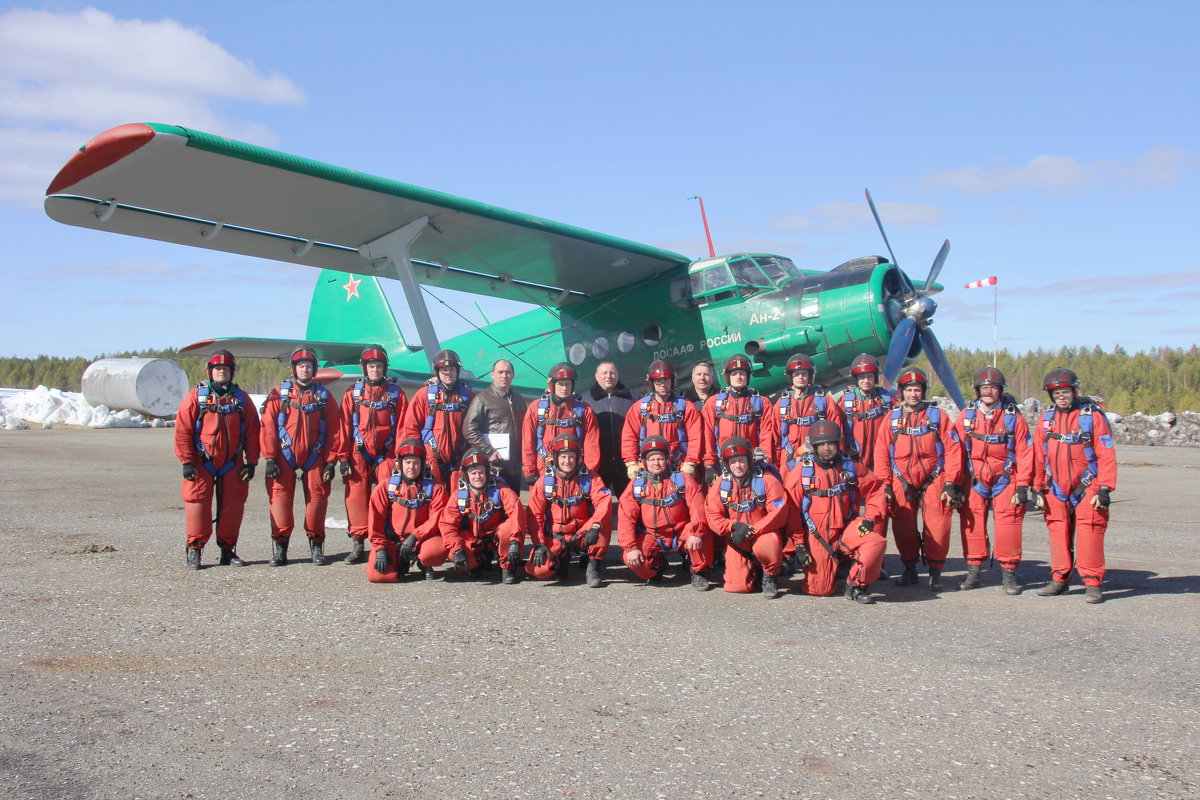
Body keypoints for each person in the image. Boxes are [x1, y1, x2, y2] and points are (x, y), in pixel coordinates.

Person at [872, 368, 963, 591]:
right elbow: (881, 452)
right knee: (903, 526)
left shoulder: (937, 416)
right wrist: (885, 482)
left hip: (934, 477)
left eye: (917, 389)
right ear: (902, 392)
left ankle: (935, 573)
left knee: (938, 524)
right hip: (900, 478)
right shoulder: (892, 419)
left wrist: (951, 482)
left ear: (923, 392)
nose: (913, 394)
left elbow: (953, 449)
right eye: (909, 390)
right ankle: (910, 569)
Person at [1032, 368, 1118, 604]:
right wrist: (1036, 486)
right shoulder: (1047, 420)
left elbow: (1106, 453)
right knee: (1058, 531)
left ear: (1074, 391)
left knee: (1091, 531)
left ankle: (1092, 583)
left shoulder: (1093, 418)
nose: (1061, 396)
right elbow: (1039, 455)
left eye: (1065, 391)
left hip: (1089, 484)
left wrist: (1105, 488)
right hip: (1056, 486)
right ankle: (1060, 578)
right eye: (1056, 392)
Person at [174, 350, 261, 569]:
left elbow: (252, 431)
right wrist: (186, 462)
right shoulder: (197, 396)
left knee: (232, 506)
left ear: (232, 372)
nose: (222, 372)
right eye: (218, 369)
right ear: (210, 372)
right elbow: (183, 429)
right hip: (202, 461)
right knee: (197, 505)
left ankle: (227, 551)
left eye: (226, 369)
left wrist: (251, 461)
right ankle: (195, 549)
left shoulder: (241, 399)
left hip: (232, 462)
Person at [784, 420, 888, 604]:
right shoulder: (803, 470)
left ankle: (855, 585)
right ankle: (829, 567)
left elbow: (876, 490)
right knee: (820, 590)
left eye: (830, 443)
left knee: (875, 542)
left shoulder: (850, 467)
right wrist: (798, 545)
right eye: (822, 444)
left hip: (845, 528)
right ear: (814, 447)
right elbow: (790, 509)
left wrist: (871, 518)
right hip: (817, 534)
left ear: (837, 444)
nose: (827, 448)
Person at [261, 347, 344, 567]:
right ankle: (280, 549)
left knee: (317, 500)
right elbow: (268, 426)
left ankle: (316, 547)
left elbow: (335, 429)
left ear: (314, 369)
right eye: (301, 366)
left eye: (308, 366)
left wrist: (330, 460)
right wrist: (269, 457)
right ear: (294, 369)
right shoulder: (279, 394)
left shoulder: (324, 396)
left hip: (314, 456)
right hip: (283, 455)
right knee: (280, 501)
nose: (305, 369)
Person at [954, 367, 1034, 595]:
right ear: (977, 391)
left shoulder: (1013, 418)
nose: (988, 392)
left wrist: (1022, 485)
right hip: (975, 478)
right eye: (984, 388)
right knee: (972, 524)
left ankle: (1009, 575)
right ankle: (974, 572)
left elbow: (1026, 452)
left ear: (1000, 391)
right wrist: (955, 482)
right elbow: (955, 450)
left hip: (1006, 477)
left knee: (1009, 525)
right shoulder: (967, 416)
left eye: (993, 388)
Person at [337, 345, 407, 565]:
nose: (375, 370)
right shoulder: (353, 393)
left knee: (390, 497)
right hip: (358, 452)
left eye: (378, 366)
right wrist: (342, 457)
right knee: (356, 498)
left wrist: (400, 457)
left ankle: (386, 541)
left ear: (384, 368)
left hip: (387, 454)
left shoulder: (396, 393)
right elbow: (344, 425)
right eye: (371, 366)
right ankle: (358, 544)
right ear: (364, 368)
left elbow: (405, 426)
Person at [617, 436, 712, 590]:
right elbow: (626, 517)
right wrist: (631, 547)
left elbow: (698, 507)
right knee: (630, 558)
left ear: (667, 459)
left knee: (703, 535)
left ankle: (699, 571)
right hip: (652, 535)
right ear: (645, 462)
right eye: (652, 459)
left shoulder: (682, 479)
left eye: (660, 458)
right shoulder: (636, 485)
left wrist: (697, 532)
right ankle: (655, 569)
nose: (656, 463)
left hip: (682, 532)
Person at [705, 436, 790, 598]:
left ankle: (770, 575)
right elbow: (712, 514)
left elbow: (779, 512)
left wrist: (753, 530)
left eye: (741, 461)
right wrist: (732, 526)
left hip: (763, 534)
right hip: (737, 537)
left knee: (769, 543)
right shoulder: (722, 484)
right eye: (733, 461)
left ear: (749, 460)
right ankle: (752, 570)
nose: (738, 466)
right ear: (727, 464)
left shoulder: (767, 481)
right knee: (736, 586)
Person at [525, 434, 613, 587]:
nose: (567, 461)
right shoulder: (544, 483)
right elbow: (535, 515)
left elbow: (604, 502)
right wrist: (539, 543)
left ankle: (593, 565)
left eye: (571, 457)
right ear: (556, 458)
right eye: (563, 457)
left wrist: (595, 526)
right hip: (556, 534)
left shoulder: (591, 479)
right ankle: (561, 559)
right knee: (539, 570)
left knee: (603, 525)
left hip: (583, 532)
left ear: (578, 458)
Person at [365, 438, 449, 582]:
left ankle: (424, 563)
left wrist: (415, 536)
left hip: (421, 540)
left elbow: (438, 517)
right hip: (393, 540)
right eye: (408, 462)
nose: (412, 467)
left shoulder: (435, 488)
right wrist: (380, 548)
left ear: (423, 464)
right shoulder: (387, 487)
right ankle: (400, 562)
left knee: (436, 551)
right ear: (400, 464)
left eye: (416, 463)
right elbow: (376, 519)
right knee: (377, 576)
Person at [439, 449, 526, 582]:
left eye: (481, 472)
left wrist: (515, 541)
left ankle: (507, 567)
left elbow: (517, 514)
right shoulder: (458, 496)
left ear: (487, 473)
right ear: (466, 476)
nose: (477, 476)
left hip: (495, 537)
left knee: (508, 528)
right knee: (452, 553)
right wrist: (457, 549)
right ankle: (476, 564)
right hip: (473, 539)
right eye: (473, 473)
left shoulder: (502, 490)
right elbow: (448, 525)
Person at [622, 360, 704, 481]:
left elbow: (696, 437)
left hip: (679, 466)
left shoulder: (686, 407)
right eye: (658, 381)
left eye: (666, 380)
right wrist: (631, 463)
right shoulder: (639, 408)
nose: (662, 384)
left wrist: (690, 463)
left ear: (672, 381)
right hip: (649, 467)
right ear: (652, 383)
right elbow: (629, 436)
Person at [702, 354, 778, 484]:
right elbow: (707, 435)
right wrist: (709, 464)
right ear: (728, 377)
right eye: (734, 374)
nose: (738, 377)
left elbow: (767, 433)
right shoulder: (714, 403)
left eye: (742, 373)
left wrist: (765, 459)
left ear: (747, 377)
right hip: (724, 463)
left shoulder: (761, 403)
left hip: (751, 462)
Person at [521, 362, 600, 484]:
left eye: (568, 384)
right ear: (552, 385)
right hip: (543, 469)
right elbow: (528, 441)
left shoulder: (584, 410)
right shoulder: (536, 408)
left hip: (574, 471)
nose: (564, 388)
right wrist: (530, 471)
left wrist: (589, 473)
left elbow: (592, 445)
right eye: (561, 384)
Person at [403, 349, 473, 485]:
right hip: (431, 457)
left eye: (452, 369)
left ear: (457, 371)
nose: (448, 373)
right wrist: (417, 455)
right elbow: (411, 427)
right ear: (437, 372)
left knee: (458, 499)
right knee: (434, 496)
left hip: (459, 456)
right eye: (444, 370)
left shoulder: (467, 396)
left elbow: (475, 426)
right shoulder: (424, 395)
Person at [776, 353, 845, 476]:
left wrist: (839, 458)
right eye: (796, 374)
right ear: (791, 377)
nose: (800, 377)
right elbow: (774, 434)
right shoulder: (782, 404)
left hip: (818, 456)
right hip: (788, 456)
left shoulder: (824, 400)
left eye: (804, 374)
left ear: (810, 376)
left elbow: (837, 429)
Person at [463, 359, 527, 491]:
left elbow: (526, 429)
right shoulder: (482, 399)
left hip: (514, 468)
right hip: (493, 467)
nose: (504, 376)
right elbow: (469, 429)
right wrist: (488, 451)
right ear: (492, 374)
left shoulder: (518, 399)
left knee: (513, 506)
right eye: (500, 372)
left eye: (508, 372)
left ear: (513, 375)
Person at [583, 359, 636, 499]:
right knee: (598, 502)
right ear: (596, 376)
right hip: (599, 462)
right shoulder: (585, 400)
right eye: (604, 373)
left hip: (625, 461)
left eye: (612, 372)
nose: (609, 376)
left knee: (630, 501)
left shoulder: (633, 398)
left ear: (617, 375)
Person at [837, 354, 896, 472]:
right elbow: (836, 425)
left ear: (875, 378)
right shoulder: (846, 400)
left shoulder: (887, 399)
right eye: (862, 377)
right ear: (856, 378)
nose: (866, 381)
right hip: (854, 457)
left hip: (881, 458)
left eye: (870, 376)